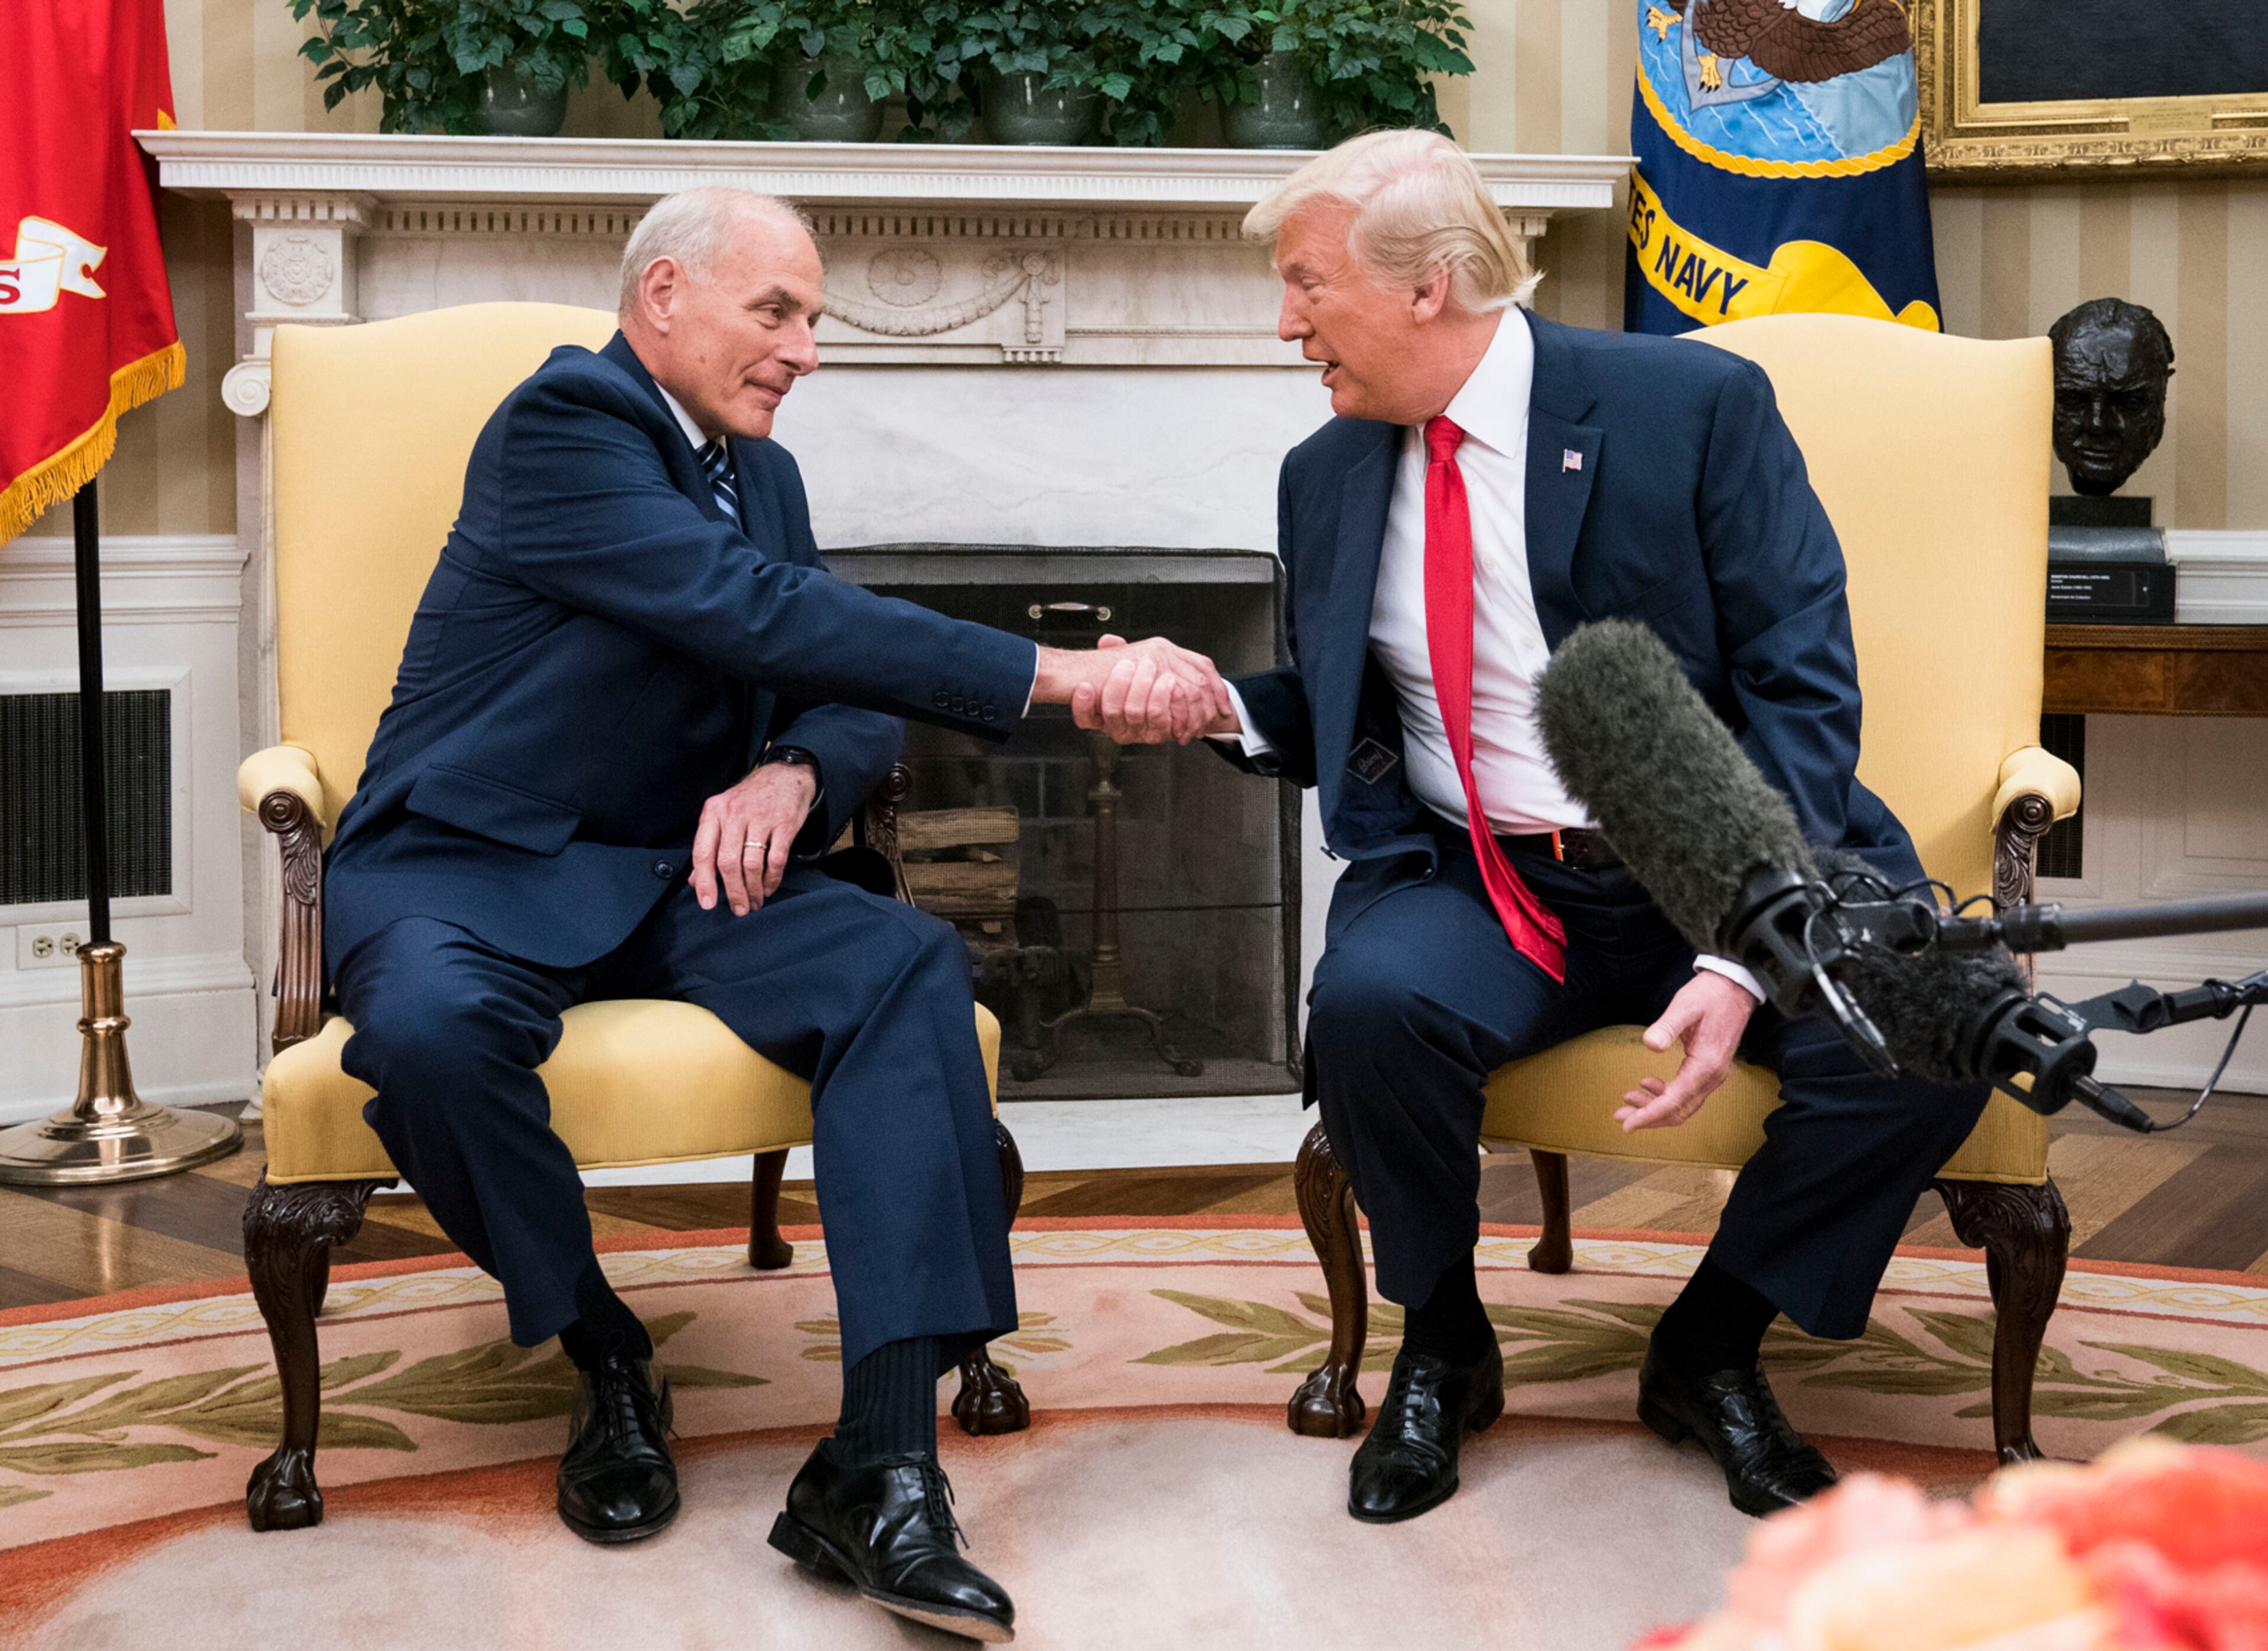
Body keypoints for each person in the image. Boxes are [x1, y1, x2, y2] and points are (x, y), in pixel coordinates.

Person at [322, 186, 1227, 1640]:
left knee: (906, 961)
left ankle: (880, 1466)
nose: (807, 349)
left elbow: (838, 674)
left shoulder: (761, 472)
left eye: (814, 318)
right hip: (471, 863)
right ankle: (606, 1350)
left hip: (687, 872)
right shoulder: (564, 425)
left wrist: (794, 770)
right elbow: (758, 612)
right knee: (429, 1036)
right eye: (778, 311)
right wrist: (1058, 675)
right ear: (664, 295)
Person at [1077, 131, 1990, 1525]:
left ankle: (1713, 1344)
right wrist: (1217, 705)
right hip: (1491, 880)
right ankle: (1445, 1344)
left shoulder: (1693, 406)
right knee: (1371, 1007)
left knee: (1935, 1031)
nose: (1286, 323)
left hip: (1724, 856)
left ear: (1428, 286)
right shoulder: (1327, 473)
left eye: (1307, 284)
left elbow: (1803, 691)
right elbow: (1354, 701)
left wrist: (1740, 949)